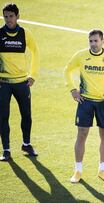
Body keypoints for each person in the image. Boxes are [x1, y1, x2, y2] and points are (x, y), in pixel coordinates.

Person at [64, 29, 104, 183]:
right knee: (82, 134)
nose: (93, 44)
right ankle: (77, 171)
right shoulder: (81, 55)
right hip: (85, 102)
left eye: (96, 41)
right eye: (90, 41)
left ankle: (102, 169)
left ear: (103, 42)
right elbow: (67, 70)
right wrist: (72, 89)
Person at [0, 3, 40, 161]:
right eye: (6, 16)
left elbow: (35, 52)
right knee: (3, 117)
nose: (8, 19)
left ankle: (26, 144)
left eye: (11, 16)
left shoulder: (25, 33)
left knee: (27, 115)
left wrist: (33, 74)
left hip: (22, 83)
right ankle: (6, 150)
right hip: (3, 83)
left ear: (17, 16)